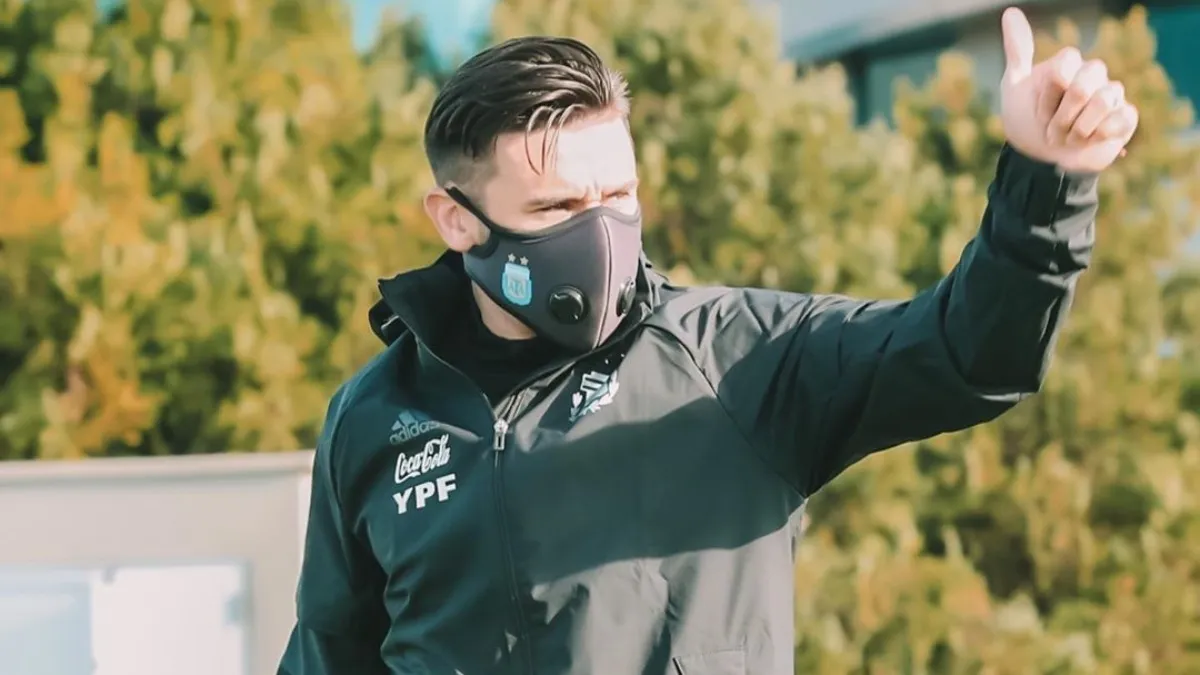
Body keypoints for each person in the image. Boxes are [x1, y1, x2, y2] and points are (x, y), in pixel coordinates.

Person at [277, 7, 1138, 674]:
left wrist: (1048, 178)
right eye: (557, 207)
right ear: (456, 220)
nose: (600, 232)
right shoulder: (374, 414)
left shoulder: (736, 355)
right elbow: (328, 653)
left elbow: (970, 353)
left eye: (618, 195)